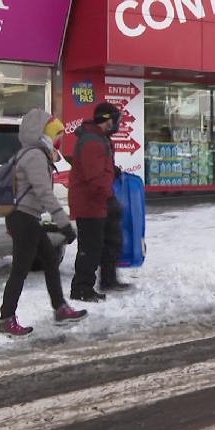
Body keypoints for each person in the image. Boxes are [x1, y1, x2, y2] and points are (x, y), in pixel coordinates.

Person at [0, 109, 87, 338]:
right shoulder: (35, 156)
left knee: (49, 259)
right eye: (56, 134)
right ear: (44, 133)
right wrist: (63, 223)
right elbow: (44, 193)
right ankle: (6, 319)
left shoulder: (34, 154)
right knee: (20, 269)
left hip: (27, 217)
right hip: (23, 218)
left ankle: (60, 308)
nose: (59, 139)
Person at [70, 102, 131, 302]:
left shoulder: (100, 139)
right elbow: (94, 177)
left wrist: (113, 172)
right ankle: (82, 288)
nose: (117, 124)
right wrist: (108, 196)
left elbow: (102, 169)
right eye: (115, 120)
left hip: (100, 200)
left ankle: (108, 279)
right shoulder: (92, 142)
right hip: (91, 203)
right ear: (107, 120)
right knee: (90, 247)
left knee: (109, 241)